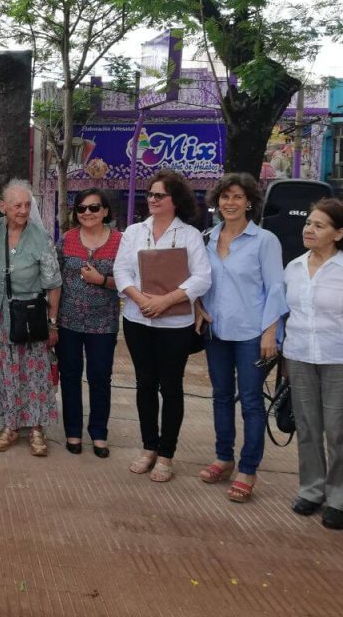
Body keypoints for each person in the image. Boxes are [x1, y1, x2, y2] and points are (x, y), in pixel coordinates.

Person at [113, 169, 211, 483]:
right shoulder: (134, 232)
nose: (152, 200)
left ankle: (166, 454)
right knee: (144, 384)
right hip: (137, 318)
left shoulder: (190, 235)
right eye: (150, 194)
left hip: (175, 324)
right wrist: (141, 299)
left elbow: (202, 277)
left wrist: (165, 301)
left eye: (159, 195)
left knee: (171, 387)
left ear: (175, 201)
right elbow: (121, 270)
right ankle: (148, 447)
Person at [195, 174, 285, 502]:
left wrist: (271, 331)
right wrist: (197, 307)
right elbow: (199, 281)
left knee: (250, 401)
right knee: (220, 397)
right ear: (216, 201)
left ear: (249, 202)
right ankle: (223, 457)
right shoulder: (207, 238)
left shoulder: (264, 241)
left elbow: (276, 288)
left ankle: (248, 468)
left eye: (237, 197)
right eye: (225, 197)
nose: (230, 203)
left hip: (252, 334)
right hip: (217, 331)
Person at [283, 198, 343, 532]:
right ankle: (312, 490)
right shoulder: (294, 267)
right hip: (300, 356)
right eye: (308, 223)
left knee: (339, 432)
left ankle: (341, 500)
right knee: (307, 428)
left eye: (319, 225)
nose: (309, 229)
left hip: (342, 359)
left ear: (339, 233)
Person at [0, 180, 62, 457]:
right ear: (3, 207)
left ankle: (37, 428)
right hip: (0, 314)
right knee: (6, 372)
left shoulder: (40, 236)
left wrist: (53, 323)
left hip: (31, 315)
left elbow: (53, 283)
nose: (23, 210)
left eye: (27, 205)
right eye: (17, 205)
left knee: (36, 373)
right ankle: (11, 425)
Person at [55, 188, 122, 458]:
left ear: (105, 210)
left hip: (103, 324)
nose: (87, 213)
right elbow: (54, 280)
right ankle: (73, 431)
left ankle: (98, 433)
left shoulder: (120, 241)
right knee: (69, 377)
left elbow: (131, 281)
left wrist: (102, 281)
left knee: (99, 378)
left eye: (94, 208)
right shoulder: (67, 239)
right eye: (82, 208)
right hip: (68, 322)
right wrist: (52, 320)